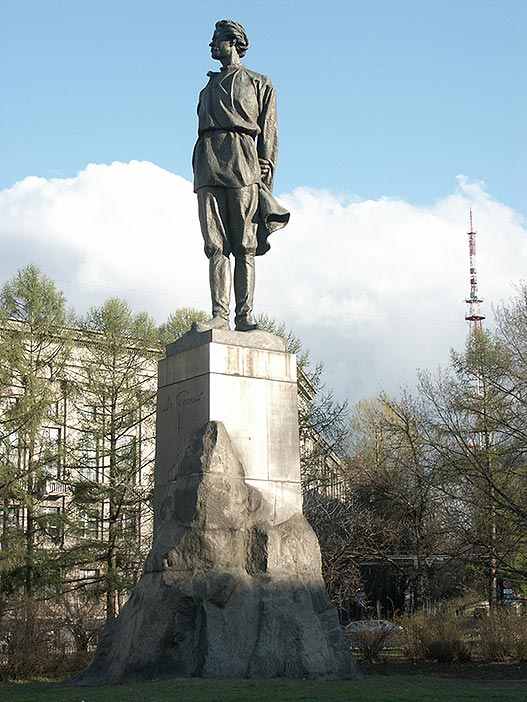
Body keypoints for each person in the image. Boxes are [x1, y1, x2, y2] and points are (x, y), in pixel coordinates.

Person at [192, 19, 289, 332]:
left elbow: (270, 132)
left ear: (232, 42)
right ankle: (219, 314)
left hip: (243, 161)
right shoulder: (206, 88)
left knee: (244, 242)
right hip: (208, 162)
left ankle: (244, 316)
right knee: (214, 244)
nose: (211, 46)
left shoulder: (259, 82)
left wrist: (266, 167)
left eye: (216, 40)